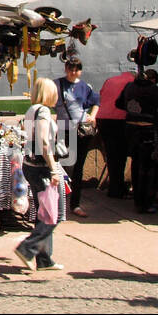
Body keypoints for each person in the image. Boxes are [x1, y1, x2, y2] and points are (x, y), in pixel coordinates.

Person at [14, 78, 65, 272]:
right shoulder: (43, 111)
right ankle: (28, 247)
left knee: (44, 212)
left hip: (31, 166)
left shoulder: (31, 110)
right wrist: (53, 169)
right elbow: (44, 141)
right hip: (43, 168)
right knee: (54, 214)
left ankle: (44, 259)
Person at [116, 69, 158, 213]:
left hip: (131, 129)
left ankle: (137, 200)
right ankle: (147, 201)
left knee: (136, 163)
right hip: (148, 130)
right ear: (151, 79)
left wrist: (133, 110)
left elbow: (119, 103)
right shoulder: (152, 89)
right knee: (149, 167)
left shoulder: (129, 87)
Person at [54, 58, 99, 217]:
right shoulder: (57, 84)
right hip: (64, 130)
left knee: (78, 167)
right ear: (66, 69)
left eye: (77, 69)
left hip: (81, 131)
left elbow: (96, 101)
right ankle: (58, 202)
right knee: (59, 166)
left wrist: (92, 116)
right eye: (71, 68)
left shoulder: (84, 86)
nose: (73, 72)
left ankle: (75, 204)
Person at [95, 69, 134, 198]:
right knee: (121, 156)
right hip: (119, 119)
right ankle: (118, 189)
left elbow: (101, 95)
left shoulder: (110, 80)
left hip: (102, 118)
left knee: (111, 155)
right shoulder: (132, 81)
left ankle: (114, 188)